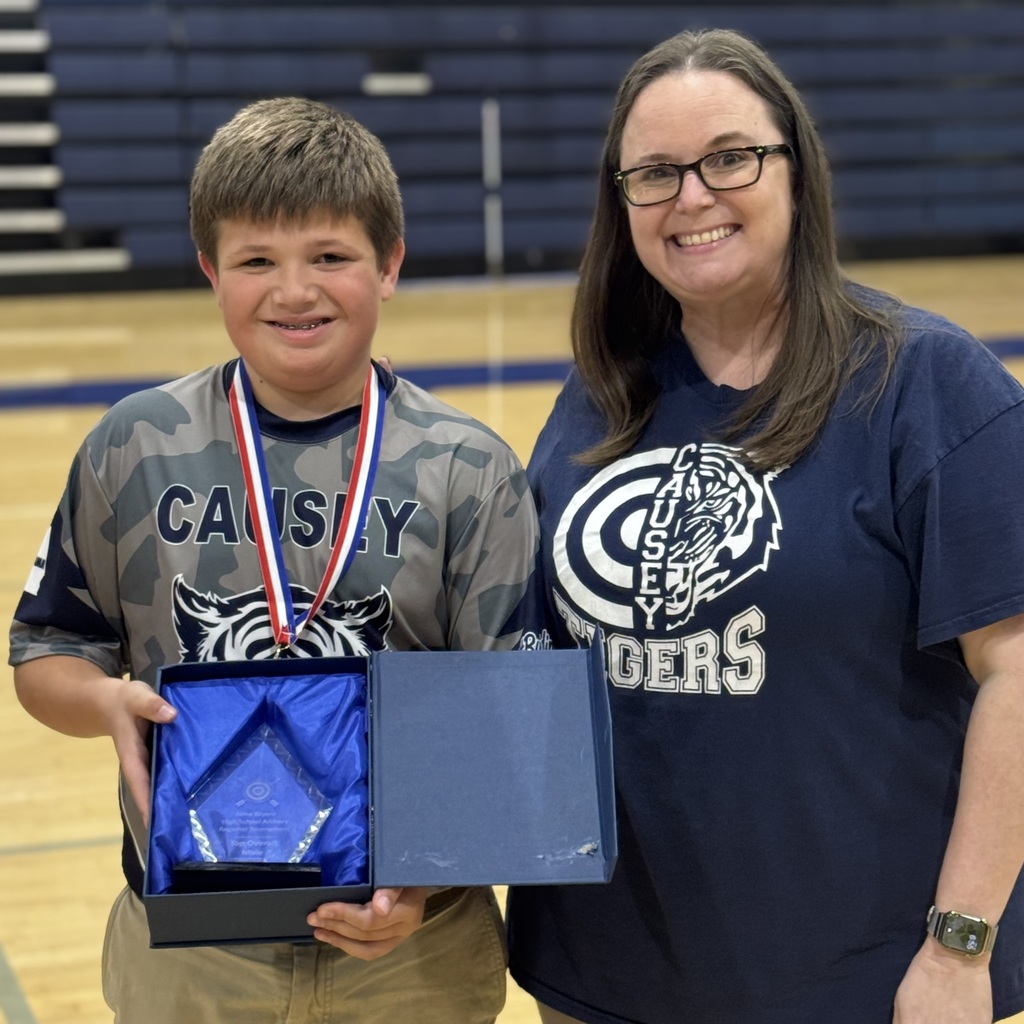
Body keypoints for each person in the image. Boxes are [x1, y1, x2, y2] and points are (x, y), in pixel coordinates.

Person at [505, 27, 1024, 1024]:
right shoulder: (600, 395)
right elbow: (533, 664)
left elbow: (1017, 672)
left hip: (855, 982)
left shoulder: (924, 382)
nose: (691, 196)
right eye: (654, 173)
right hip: (608, 976)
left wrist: (961, 942)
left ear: (793, 171)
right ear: (620, 203)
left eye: (728, 158)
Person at [9, 96, 537, 1024]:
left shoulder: (469, 468)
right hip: (191, 951)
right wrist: (105, 705)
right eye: (257, 261)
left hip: (412, 945)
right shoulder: (134, 448)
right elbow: (48, 648)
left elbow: (507, 715)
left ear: (390, 266)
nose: (294, 292)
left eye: (330, 257)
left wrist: (421, 883)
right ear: (212, 272)